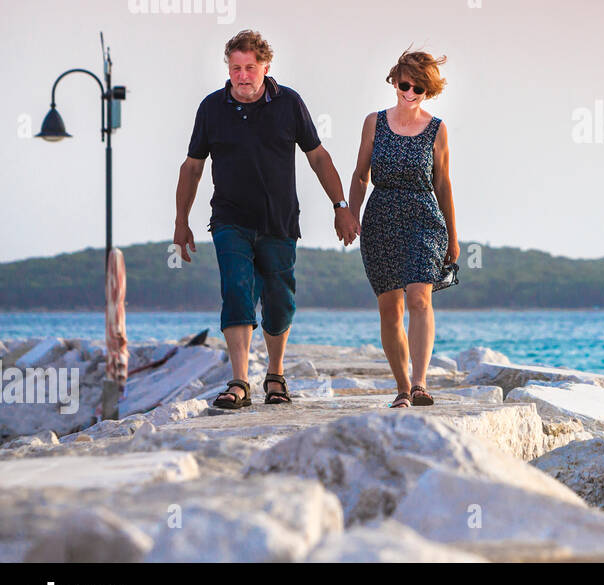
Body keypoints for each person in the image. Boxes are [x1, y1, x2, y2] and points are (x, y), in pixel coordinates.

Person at [174, 30, 359, 409]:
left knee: (279, 302)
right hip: (229, 220)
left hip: (280, 221)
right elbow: (192, 167)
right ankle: (239, 381)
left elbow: (318, 157)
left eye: (250, 68)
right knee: (237, 290)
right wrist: (182, 221)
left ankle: (275, 375)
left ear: (265, 67)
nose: (242, 75)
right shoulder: (211, 108)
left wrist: (341, 206)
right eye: (235, 68)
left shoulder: (288, 103)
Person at [348, 47, 459, 407]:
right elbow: (361, 174)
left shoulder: (437, 130)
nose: (409, 93)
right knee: (389, 308)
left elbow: (443, 184)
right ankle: (400, 389)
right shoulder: (374, 122)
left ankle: (420, 383)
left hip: (424, 217)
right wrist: (350, 212)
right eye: (404, 84)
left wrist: (453, 239)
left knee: (419, 297)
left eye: (419, 89)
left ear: (428, 92)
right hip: (380, 217)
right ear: (395, 80)